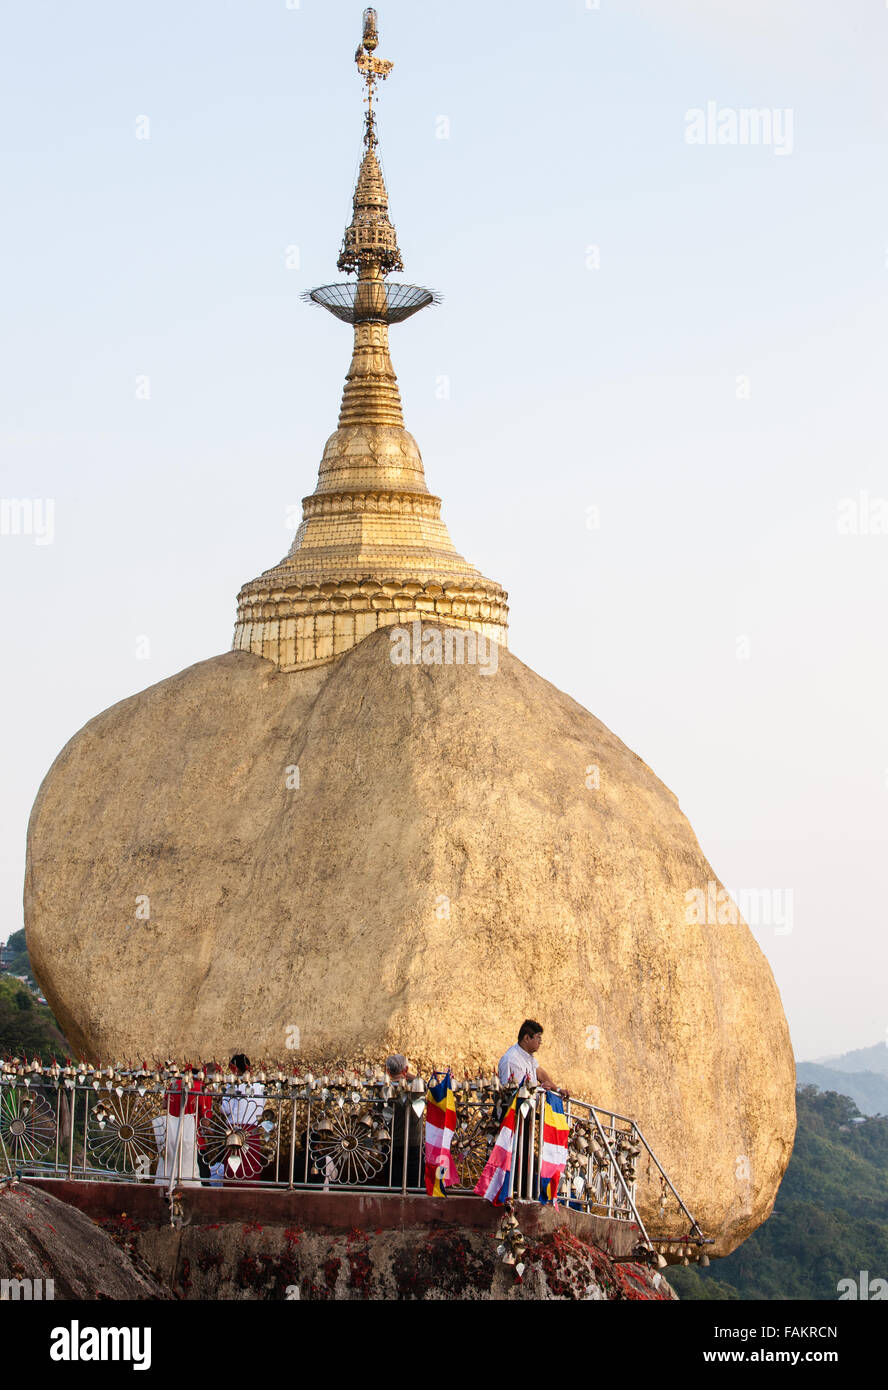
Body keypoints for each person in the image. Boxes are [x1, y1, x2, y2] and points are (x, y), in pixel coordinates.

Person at [221, 1054, 265, 1182]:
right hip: (252, 1131)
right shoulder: (259, 1086)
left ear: (236, 1070)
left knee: (234, 1167)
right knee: (250, 1166)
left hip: (234, 1131)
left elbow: (225, 1109)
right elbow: (261, 1107)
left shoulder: (233, 1086)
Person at [497, 1020, 568, 1098]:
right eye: (538, 1038)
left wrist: (557, 1089)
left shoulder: (528, 1055)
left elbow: (540, 1073)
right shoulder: (512, 1059)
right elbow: (516, 1091)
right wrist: (540, 1088)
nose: (540, 1042)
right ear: (527, 1038)